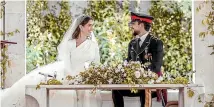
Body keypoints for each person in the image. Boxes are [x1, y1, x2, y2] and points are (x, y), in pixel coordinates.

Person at [2, 14, 102, 107]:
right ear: (81, 27)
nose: (91, 28)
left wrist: (88, 76)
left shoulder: (92, 45)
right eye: (89, 25)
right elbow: (66, 63)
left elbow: (95, 63)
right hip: (68, 74)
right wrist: (72, 79)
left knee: (88, 92)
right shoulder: (70, 44)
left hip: (85, 77)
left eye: (92, 25)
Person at [112, 11, 164, 107]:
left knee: (145, 89)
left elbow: (156, 67)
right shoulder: (132, 43)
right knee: (115, 88)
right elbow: (128, 61)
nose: (131, 26)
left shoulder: (156, 42)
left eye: (133, 24)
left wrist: (141, 77)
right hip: (134, 83)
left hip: (149, 83)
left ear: (141, 25)